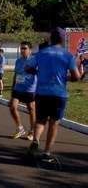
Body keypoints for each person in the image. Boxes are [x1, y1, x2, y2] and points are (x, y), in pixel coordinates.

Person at [27, 30, 81, 161]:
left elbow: (28, 68)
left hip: (42, 93)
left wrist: (39, 73)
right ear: (63, 40)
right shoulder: (68, 56)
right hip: (59, 94)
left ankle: (36, 140)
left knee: (40, 120)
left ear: (51, 39)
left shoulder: (41, 53)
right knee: (54, 123)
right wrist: (65, 77)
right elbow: (76, 77)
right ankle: (46, 153)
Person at [9, 42, 37, 140]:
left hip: (30, 89)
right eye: (21, 49)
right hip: (18, 88)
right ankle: (20, 128)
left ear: (30, 50)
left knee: (31, 109)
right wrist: (12, 89)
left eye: (24, 48)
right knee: (12, 107)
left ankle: (32, 131)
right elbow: (16, 75)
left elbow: (41, 72)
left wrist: (33, 71)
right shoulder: (18, 61)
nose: (22, 50)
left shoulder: (35, 60)